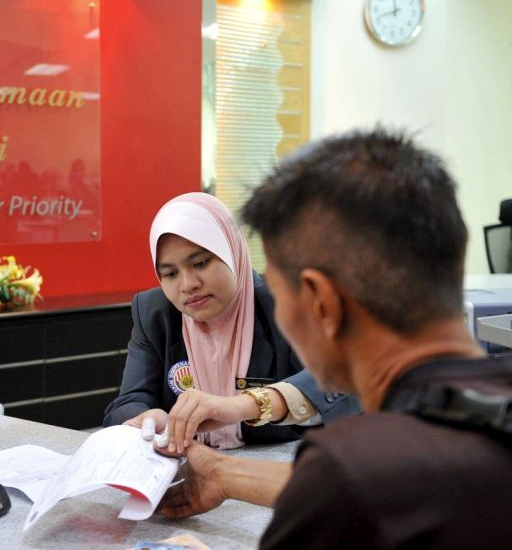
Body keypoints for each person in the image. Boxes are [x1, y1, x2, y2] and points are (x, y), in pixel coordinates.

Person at [156, 128, 512, 548]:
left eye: (279, 289)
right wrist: (223, 473)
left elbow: (352, 485)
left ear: (322, 302)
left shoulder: (346, 471)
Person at [103, 192, 359, 450]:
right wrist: (146, 420)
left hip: (274, 474)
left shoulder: (285, 301)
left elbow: (341, 379)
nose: (188, 285)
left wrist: (244, 405)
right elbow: (128, 402)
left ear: (231, 251)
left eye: (201, 263)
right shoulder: (155, 313)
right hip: (190, 470)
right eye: (170, 273)